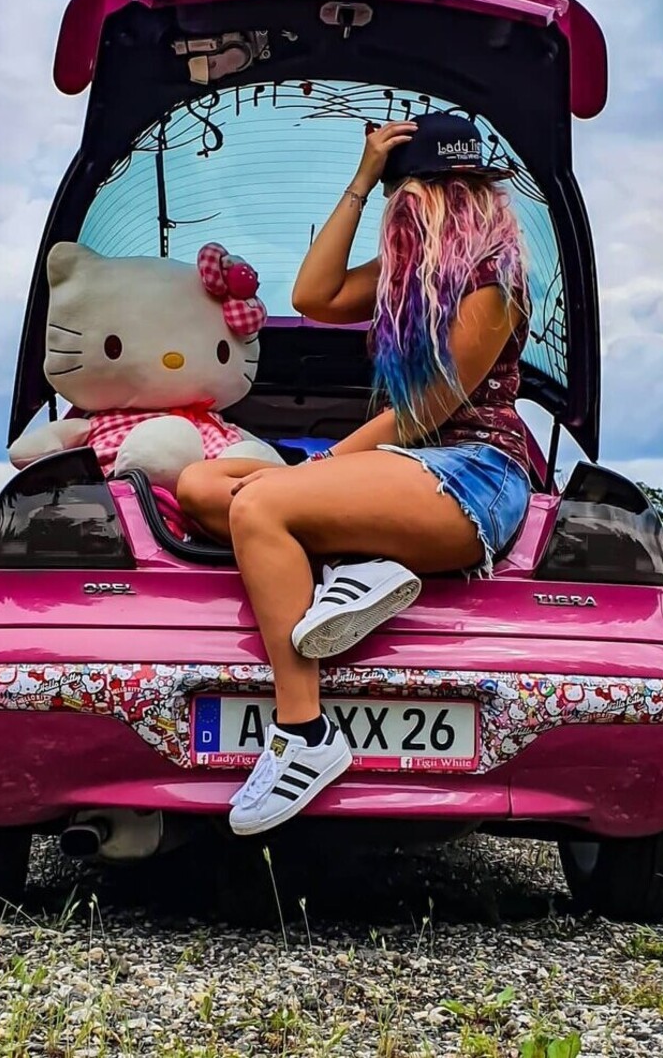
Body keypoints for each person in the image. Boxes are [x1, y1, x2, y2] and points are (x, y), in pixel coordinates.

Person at [176, 112, 533, 836]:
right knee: (198, 486)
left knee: (258, 507)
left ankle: (303, 734)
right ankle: (361, 568)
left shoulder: (493, 284)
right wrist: (363, 179)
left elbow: (424, 409)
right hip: (400, 471)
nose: (411, 207)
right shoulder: (408, 274)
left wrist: (322, 467)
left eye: (414, 193)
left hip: (472, 474)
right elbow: (312, 296)